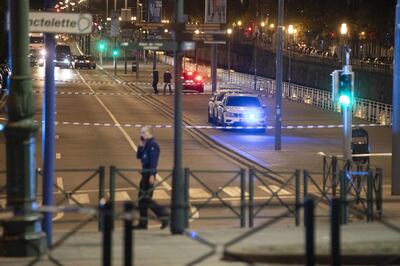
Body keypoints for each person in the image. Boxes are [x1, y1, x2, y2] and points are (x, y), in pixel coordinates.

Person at [134, 126, 169, 230]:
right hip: (144, 174)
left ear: (149, 133)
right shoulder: (146, 144)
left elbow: (153, 162)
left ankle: (163, 215)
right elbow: (139, 156)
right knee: (141, 200)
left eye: (143, 132)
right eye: (141, 132)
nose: (141, 134)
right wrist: (140, 145)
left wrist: (152, 175)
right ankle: (143, 224)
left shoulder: (153, 145)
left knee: (147, 199)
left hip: (149, 175)